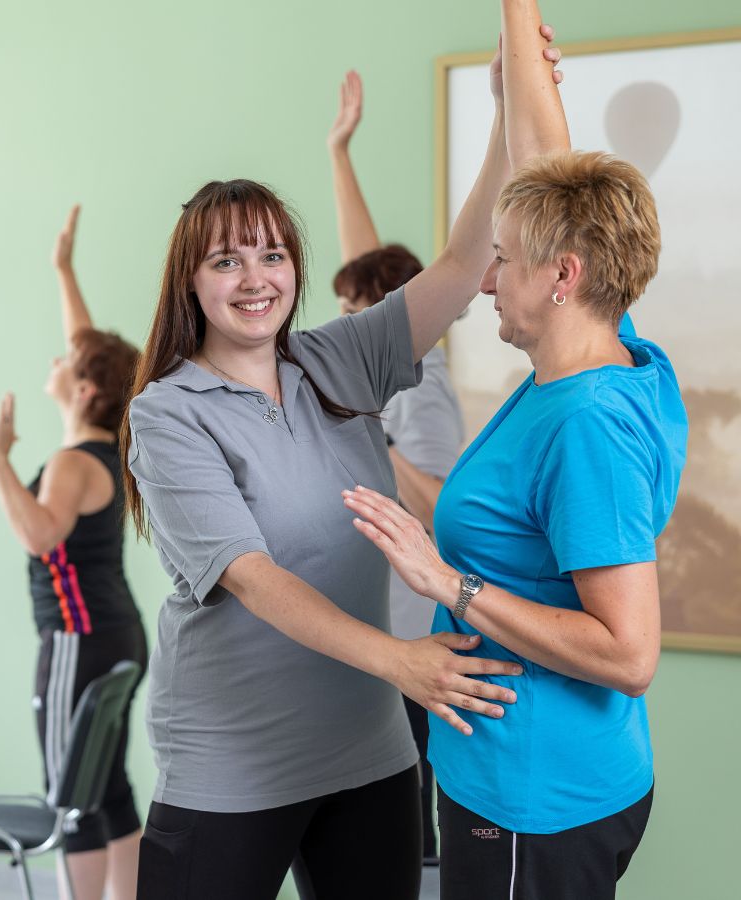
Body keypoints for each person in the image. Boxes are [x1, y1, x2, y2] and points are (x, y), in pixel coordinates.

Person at [121, 25, 563, 900]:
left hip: (367, 753)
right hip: (232, 763)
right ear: (191, 283)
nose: (256, 277)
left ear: (297, 270)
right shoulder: (165, 412)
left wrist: (508, 111)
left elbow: (466, 259)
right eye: (227, 259)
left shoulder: (339, 360)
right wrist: (401, 662)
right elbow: (252, 576)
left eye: (273, 254)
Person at [342, 2, 685, 898]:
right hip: (545, 773)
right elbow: (550, 167)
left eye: (504, 261)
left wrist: (446, 582)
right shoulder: (605, 346)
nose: (485, 279)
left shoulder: (585, 426)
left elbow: (629, 651)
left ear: (562, 275)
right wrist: (514, 34)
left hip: (537, 796)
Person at [326, 68, 470, 865]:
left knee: (407, 833)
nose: (346, 331)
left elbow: (440, 500)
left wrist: (371, 440)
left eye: (358, 316)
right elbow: (368, 262)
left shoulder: (424, 386)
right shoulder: (385, 376)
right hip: (377, 635)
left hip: (416, 642)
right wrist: (339, 152)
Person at [0, 205, 147, 900]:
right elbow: (90, 349)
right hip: (118, 635)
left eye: (67, 363)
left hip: (76, 643)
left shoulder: (68, 463)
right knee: (107, 787)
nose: (57, 359)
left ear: (83, 390)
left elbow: (39, 535)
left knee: (70, 795)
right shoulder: (109, 444)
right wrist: (63, 269)